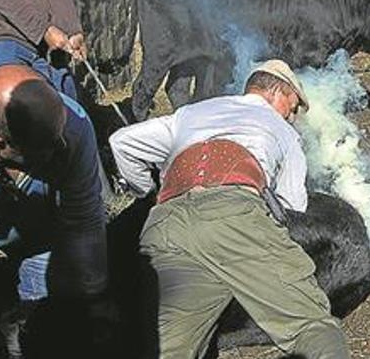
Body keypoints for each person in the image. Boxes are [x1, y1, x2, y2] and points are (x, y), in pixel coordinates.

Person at [109, 59, 348, 359]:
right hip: (235, 214)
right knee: (313, 328)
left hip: (165, 227)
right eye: (294, 105)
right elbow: (291, 206)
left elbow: (122, 143)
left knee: (168, 350)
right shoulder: (281, 129)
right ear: (278, 92)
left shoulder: (190, 113)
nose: (294, 115)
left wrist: (148, 191)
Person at [0, 65, 110, 357]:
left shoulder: (69, 123)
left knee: (48, 330)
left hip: (44, 235)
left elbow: (84, 220)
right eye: (47, 145)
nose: (63, 145)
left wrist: (94, 296)